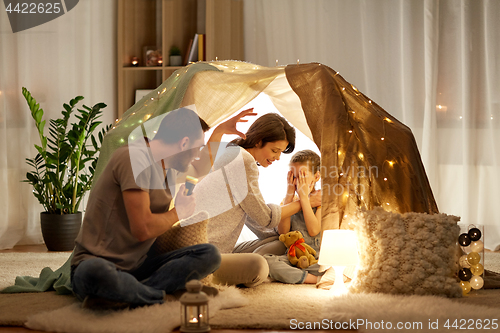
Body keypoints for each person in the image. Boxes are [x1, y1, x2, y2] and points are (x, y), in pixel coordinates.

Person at [70, 107, 252, 308]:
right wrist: (178, 213)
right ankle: (154, 295)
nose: (197, 155)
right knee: (97, 273)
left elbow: (199, 169)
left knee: (209, 255)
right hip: (96, 264)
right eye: (197, 148)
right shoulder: (134, 158)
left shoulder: (169, 166)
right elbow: (143, 229)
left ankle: (129, 294)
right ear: (183, 143)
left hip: (138, 267)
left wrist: (219, 132)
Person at [190, 113, 321, 287]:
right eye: (275, 150)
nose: (277, 158)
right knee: (259, 267)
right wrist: (305, 202)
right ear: (258, 141)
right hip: (203, 253)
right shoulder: (243, 162)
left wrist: (282, 233)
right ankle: (205, 277)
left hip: (207, 248)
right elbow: (265, 218)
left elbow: (256, 218)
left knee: (277, 240)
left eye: (281, 152)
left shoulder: (232, 154)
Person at [264, 150, 324, 284]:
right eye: (293, 176)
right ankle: (312, 279)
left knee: (328, 266)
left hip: (315, 260)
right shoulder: (291, 203)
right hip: (293, 258)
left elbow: (314, 231)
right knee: (266, 262)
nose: (297, 181)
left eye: (302, 175)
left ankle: (309, 277)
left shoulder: (321, 200)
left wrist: (304, 198)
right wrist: (289, 195)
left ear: (316, 176)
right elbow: (283, 232)